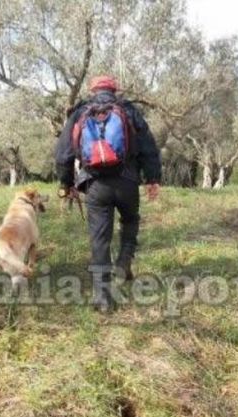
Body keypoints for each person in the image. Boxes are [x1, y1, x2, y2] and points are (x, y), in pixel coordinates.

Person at [55, 75, 162, 311]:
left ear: (92, 90)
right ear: (115, 90)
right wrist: (152, 178)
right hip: (127, 181)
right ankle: (124, 261)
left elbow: (63, 153)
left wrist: (66, 183)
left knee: (99, 239)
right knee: (131, 220)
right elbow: (148, 146)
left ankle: (103, 298)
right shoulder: (128, 110)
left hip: (95, 186)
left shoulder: (81, 111)